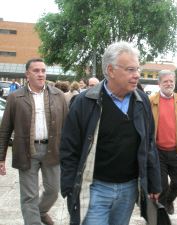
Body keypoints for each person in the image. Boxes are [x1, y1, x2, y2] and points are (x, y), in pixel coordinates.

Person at [60, 41, 161, 225]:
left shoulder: (142, 101)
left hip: (129, 189)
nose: (137, 75)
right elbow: (69, 148)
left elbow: (149, 145)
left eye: (137, 69)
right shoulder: (84, 102)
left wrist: (154, 182)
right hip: (95, 189)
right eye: (130, 69)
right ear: (111, 70)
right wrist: (69, 188)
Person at [0, 58, 68, 225]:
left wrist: (70, 153)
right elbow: (5, 129)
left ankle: (41, 211)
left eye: (43, 71)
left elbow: (68, 126)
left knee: (53, 190)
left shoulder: (58, 95)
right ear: (27, 74)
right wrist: (1, 158)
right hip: (26, 151)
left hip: (52, 149)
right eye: (36, 71)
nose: (40, 74)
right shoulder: (15, 97)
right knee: (29, 196)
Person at [149, 70, 177, 215]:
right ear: (159, 84)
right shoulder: (152, 101)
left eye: (171, 81)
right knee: (160, 186)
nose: (169, 84)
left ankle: (169, 200)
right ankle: (160, 214)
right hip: (158, 152)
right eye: (165, 81)